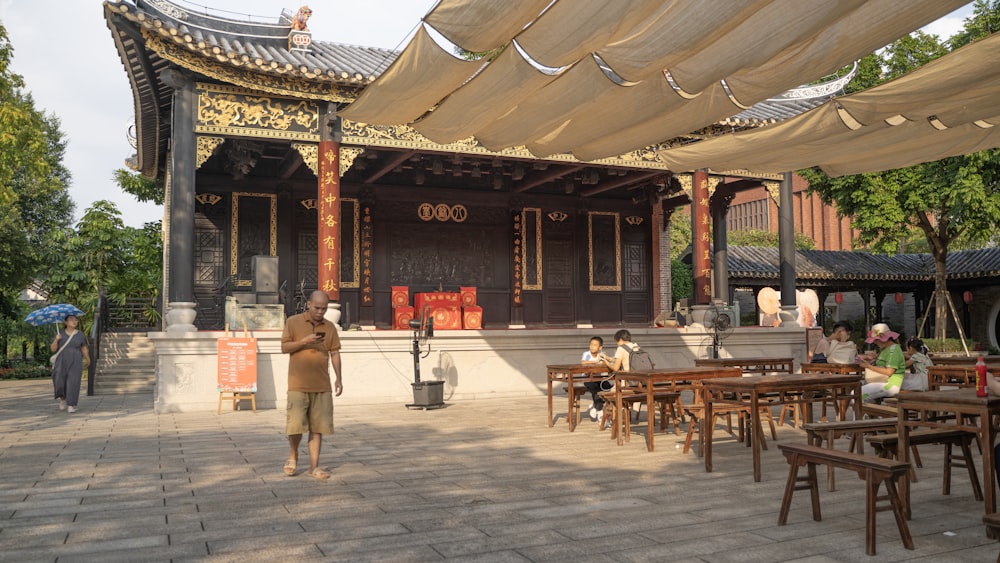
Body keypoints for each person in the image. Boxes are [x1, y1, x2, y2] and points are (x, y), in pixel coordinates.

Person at [280, 290, 343, 479]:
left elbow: (335, 353)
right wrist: (304, 341)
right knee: (296, 425)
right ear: (308, 304)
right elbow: (284, 348)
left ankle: (314, 466)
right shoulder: (293, 322)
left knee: (318, 427)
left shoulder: (330, 327)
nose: (320, 312)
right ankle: (293, 455)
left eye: (324, 309)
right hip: (298, 384)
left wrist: (339, 378)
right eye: (317, 307)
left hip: (322, 384)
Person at [50, 314, 89, 413]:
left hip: (76, 360)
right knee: (59, 380)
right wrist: (56, 339)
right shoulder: (60, 333)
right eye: (71, 320)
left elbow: (83, 348)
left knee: (73, 382)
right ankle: (63, 399)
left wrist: (88, 359)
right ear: (66, 322)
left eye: (76, 320)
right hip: (61, 360)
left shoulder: (80, 334)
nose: (74, 321)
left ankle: (71, 404)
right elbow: (53, 349)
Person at [858, 323, 906, 403]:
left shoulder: (893, 350)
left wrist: (869, 366)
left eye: (876, 340)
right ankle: (869, 414)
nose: (875, 342)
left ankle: (866, 414)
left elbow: (889, 372)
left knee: (857, 395)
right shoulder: (885, 349)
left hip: (890, 385)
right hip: (881, 382)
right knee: (858, 392)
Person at [580, 336, 612, 421]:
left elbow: (610, 360)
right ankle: (599, 409)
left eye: (595, 345)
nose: (592, 347)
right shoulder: (586, 354)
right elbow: (583, 363)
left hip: (599, 378)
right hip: (588, 378)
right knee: (596, 389)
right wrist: (595, 362)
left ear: (600, 347)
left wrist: (606, 359)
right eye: (591, 344)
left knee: (609, 388)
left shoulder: (601, 354)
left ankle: (596, 407)